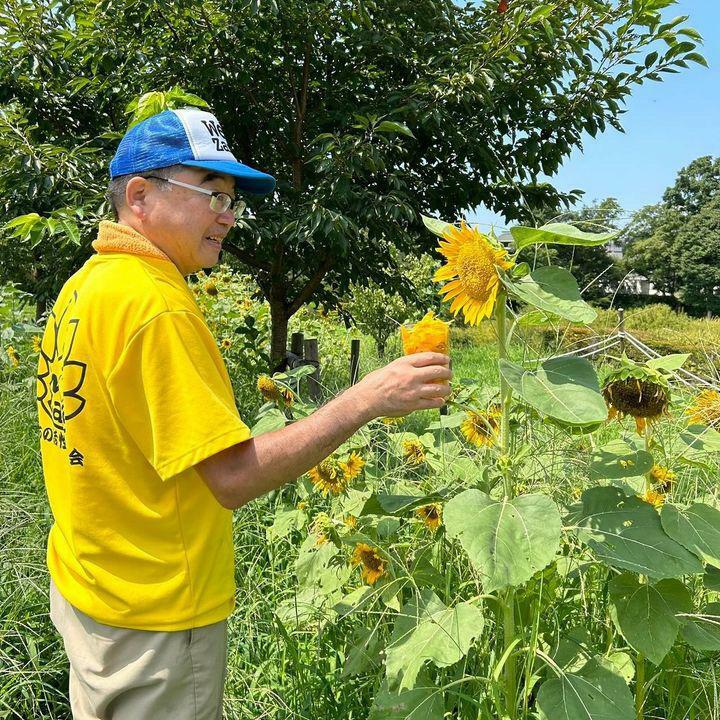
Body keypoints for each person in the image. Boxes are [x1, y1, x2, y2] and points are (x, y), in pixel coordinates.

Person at [37, 106, 452, 720]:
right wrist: (365, 399)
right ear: (140, 195)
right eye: (211, 193)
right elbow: (231, 478)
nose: (229, 216)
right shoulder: (157, 308)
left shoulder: (87, 285)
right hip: (158, 618)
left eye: (233, 198)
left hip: (89, 589)